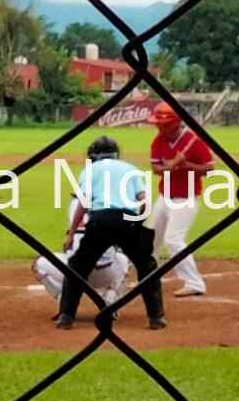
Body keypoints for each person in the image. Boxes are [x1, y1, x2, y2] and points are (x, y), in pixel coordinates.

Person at [54, 136, 165, 331]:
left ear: (93, 156)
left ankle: (66, 316)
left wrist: (71, 233)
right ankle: (156, 317)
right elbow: (144, 200)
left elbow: (83, 203)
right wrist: (137, 224)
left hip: (100, 220)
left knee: (78, 265)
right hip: (128, 219)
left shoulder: (89, 170)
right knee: (146, 265)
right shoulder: (129, 168)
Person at [147, 102, 214, 297]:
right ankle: (150, 278)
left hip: (185, 199)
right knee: (150, 239)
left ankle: (195, 283)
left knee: (173, 239)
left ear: (176, 123)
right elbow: (155, 168)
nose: (160, 128)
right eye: (158, 124)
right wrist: (167, 168)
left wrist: (186, 165)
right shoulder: (158, 141)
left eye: (164, 124)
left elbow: (209, 169)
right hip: (164, 198)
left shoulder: (194, 141)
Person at [32, 194, 129, 311]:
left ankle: (64, 299)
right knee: (123, 258)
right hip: (105, 275)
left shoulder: (74, 205)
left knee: (38, 263)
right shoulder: (113, 205)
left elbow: (68, 246)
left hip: (73, 274)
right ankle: (111, 300)